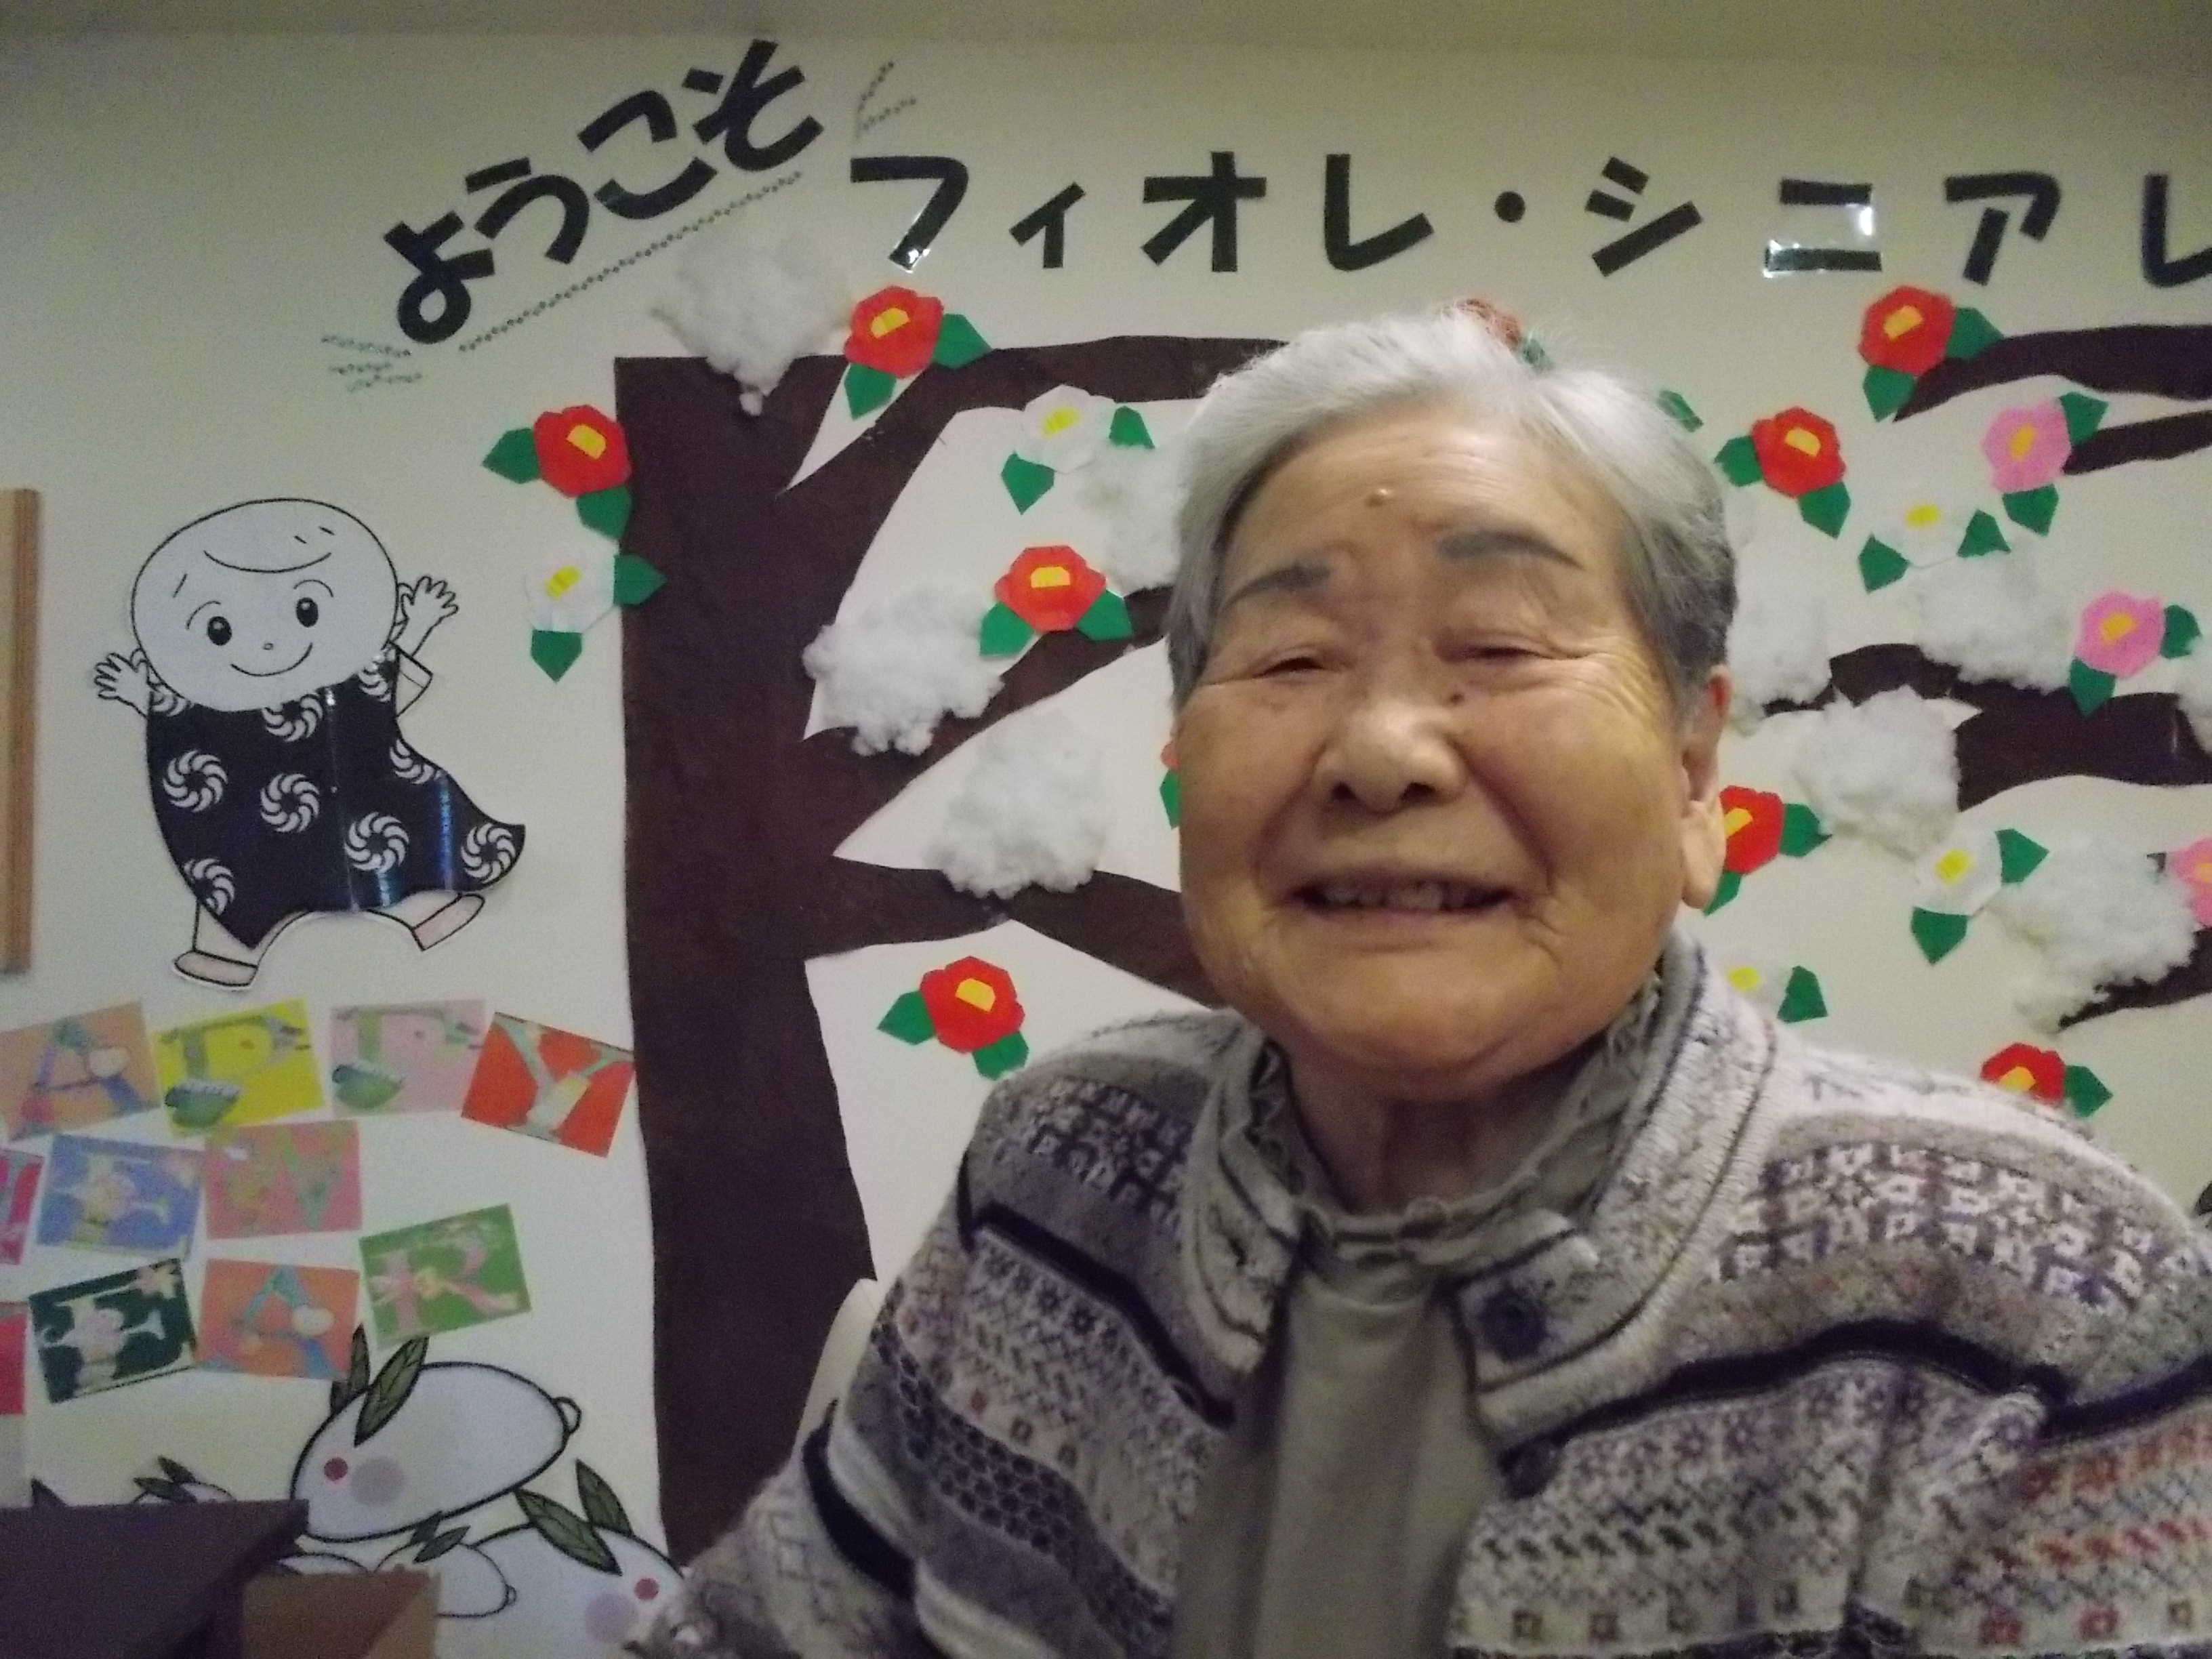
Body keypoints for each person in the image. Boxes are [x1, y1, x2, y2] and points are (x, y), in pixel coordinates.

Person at [642, 304, 2211, 1658]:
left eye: (1503, 646)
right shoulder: (1062, 1167)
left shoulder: (2036, 1301)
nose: (1383, 749)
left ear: (1692, 770)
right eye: (1291, 659)